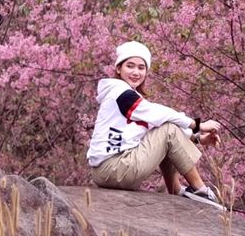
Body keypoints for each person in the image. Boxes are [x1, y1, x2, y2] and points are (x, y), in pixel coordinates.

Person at [86, 41, 225, 210]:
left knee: (166, 130)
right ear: (118, 68)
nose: (136, 72)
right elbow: (159, 116)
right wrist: (197, 125)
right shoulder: (121, 93)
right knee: (168, 131)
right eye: (130, 66)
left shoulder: (124, 94)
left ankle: (176, 189)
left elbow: (154, 125)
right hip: (115, 169)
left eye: (141, 67)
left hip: (106, 171)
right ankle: (200, 190)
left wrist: (197, 138)